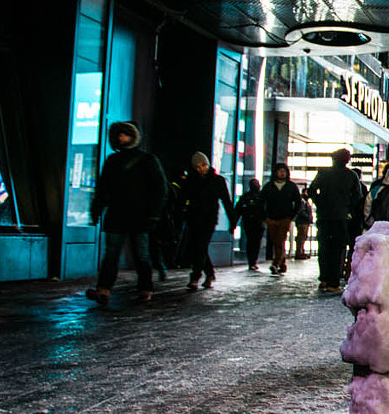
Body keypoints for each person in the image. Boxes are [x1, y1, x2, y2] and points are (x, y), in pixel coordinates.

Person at [85, 121, 166, 304]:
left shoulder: (146, 160)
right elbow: (103, 188)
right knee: (114, 254)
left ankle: (144, 287)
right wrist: (97, 210)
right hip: (124, 215)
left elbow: (159, 190)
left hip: (135, 215)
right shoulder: (114, 160)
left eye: (125, 134)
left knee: (139, 254)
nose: (121, 138)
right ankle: (104, 289)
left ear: (133, 137)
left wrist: (154, 214)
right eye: (119, 135)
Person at [308, 148, 367, 291]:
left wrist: (320, 203)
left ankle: (323, 278)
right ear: (347, 160)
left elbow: (311, 191)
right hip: (341, 217)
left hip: (324, 216)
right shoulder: (351, 175)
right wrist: (347, 209)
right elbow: (357, 197)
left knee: (323, 247)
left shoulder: (323, 173)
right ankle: (333, 283)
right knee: (337, 248)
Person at [176, 152, 236, 290]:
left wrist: (232, 221)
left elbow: (226, 202)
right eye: (197, 167)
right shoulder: (191, 182)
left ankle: (195, 276)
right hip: (194, 218)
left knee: (200, 247)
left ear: (207, 164)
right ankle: (209, 273)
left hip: (208, 219)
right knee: (199, 248)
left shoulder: (217, 181)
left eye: (203, 165)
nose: (201, 169)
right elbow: (181, 201)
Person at [262, 165, 303, 274]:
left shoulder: (291, 186)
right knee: (276, 241)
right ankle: (282, 263)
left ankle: (276, 263)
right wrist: (265, 216)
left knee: (280, 239)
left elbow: (298, 203)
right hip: (271, 218)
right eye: (280, 171)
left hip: (285, 218)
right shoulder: (269, 186)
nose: (282, 173)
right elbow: (261, 201)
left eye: (284, 171)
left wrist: (292, 216)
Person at [238, 176, 266, 270]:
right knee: (251, 242)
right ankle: (252, 262)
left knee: (256, 242)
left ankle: (253, 261)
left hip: (258, 223)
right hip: (249, 222)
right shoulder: (246, 196)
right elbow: (239, 209)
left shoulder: (262, 196)